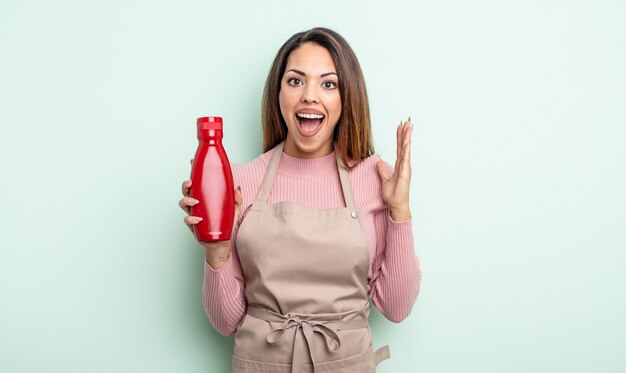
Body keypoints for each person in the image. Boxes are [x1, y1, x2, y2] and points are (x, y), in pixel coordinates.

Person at [179, 27, 421, 373]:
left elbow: (397, 308)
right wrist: (216, 251)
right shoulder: (241, 182)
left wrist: (399, 210)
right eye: (295, 81)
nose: (309, 95)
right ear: (277, 94)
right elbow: (225, 322)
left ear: (346, 98)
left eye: (328, 84)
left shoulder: (374, 179)